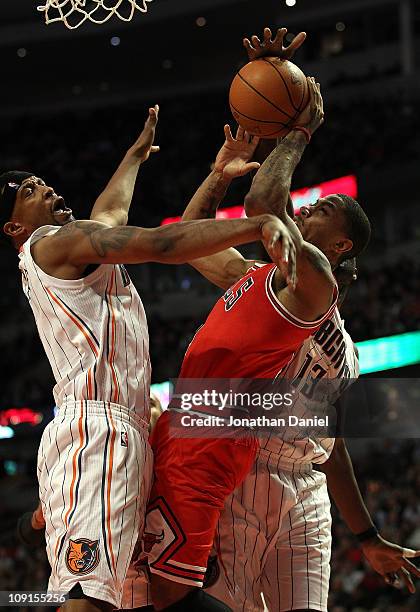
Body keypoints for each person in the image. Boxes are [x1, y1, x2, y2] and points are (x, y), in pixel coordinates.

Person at [1, 102, 294, 612]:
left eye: (42, 182)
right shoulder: (52, 243)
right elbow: (160, 243)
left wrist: (133, 158)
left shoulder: (68, 250)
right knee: (86, 598)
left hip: (119, 430)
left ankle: (35, 531)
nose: (45, 187)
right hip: (98, 432)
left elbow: (110, 214)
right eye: (28, 192)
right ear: (13, 228)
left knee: (124, 594)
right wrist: (256, 226)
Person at [140, 61, 374, 609]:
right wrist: (220, 172)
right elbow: (192, 238)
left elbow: (263, 205)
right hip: (237, 464)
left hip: (263, 464)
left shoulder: (311, 282)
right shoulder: (257, 277)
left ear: (340, 248)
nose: (314, 203)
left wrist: (298, 133)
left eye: (328, 208)